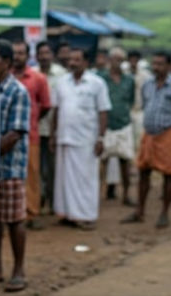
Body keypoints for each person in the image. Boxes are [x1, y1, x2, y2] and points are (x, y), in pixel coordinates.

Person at [0, 40, 31, 293]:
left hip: (9, 166)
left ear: (7, 63)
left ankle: (19, 269)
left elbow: (14, 134)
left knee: (14, 219)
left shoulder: (17, 91)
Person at [122, 52, 171, 228]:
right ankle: (140, 211)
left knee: (169, 174)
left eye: (160, 64)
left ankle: (164, 213)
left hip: (168, 133)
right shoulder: (147, 84)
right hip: (149, 134)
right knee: (143, 171)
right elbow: (145, 105)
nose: (156, 67)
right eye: (155, 64)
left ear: (169, 66)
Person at [52, 48, 112, 230]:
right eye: (71, 59)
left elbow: (103, 112)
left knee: (86, 179)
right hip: (65, 137)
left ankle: (85, 215)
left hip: (87, 139)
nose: (73, 63)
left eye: (77, 60)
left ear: (86, 62)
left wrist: (101, 138)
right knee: (64, 180)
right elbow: (56, 110)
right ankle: (67, 213)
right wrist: (53, 135)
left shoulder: (97, 83)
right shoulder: (61, 82)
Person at [10, 41, 52, 228]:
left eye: (21, 53)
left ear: (27, 56)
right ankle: (12, 212)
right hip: (6, 136)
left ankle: (31, 213)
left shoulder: (38, 78)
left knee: (32, 175)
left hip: (30, 135)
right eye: (15, 53)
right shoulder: (4, 76)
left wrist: (32, 120)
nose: (17, 56)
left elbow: (46, 106)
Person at [100, 47, 136, 205]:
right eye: (114, 59)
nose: (117, 63)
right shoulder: (100, 78)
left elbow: (131, 100)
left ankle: (126, 194)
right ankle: (98, 195)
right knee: (102, 161)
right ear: (109, 60)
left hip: (123, 123)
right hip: (106, 125)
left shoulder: (129, 80)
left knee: (125, 161)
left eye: (120, 60)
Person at [35, 41, 66, 214]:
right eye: (41, 53)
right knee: (38, 169)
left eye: (47, 53)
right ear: (37, 55)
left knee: (54, 169)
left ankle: (54, 204)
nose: (44, 57)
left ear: (52, 55)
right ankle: (38, 202)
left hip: (56, 130)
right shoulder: (31, 73)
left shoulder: (62, 75)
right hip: (36, 130)